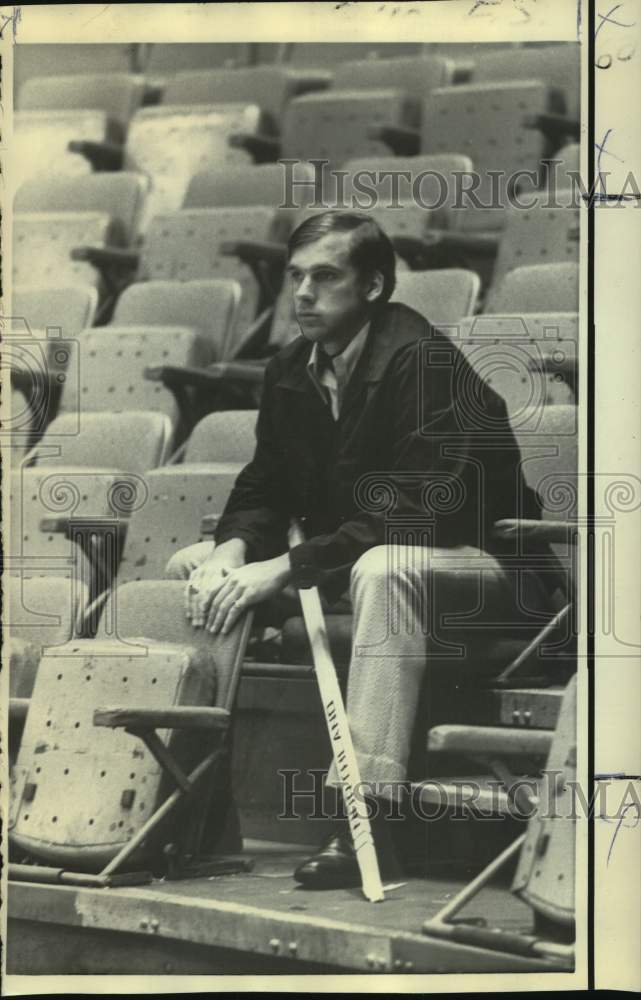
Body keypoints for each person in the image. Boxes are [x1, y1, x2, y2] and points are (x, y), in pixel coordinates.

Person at [166, 210, 548, 889]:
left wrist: (282, 567)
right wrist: (229, 552)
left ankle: (364, 816)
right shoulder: (291, 367)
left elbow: (411, 516)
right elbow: (264, 484)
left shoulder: (426, 363)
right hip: (355, 565)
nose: (302, 294)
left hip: (489, 574)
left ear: (371, 287)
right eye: (294, 277)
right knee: (191, 568)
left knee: (385, 568)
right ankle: (191, 812)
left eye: (324, 276)